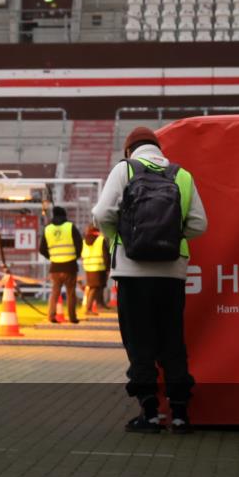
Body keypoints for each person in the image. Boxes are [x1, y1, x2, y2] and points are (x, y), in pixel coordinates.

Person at [92, 126, 207, 435]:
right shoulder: (181, 175)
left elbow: (102, 213)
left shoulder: (124, 169)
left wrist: (120, 238)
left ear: (129, 150)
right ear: (158, 148)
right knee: (172, 340)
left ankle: (150, 413)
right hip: (172, 271)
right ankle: (181, 414)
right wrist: (169, 237)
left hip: (132, 271)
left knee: (139, 342)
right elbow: (199, 224)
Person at [39, 206, 82, 324]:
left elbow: (42, 249)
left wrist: (52, 256)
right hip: (70, 265)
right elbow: (79, 245)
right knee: (71, 293)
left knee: (55, 292)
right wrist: (74, 256)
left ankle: (51, 315)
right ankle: (72, 317)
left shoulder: (47, 229)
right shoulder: (70, 227)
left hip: (55, 266)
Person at [82, 224, 111, 313]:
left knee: (98, 286)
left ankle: (100, 304)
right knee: (94, 288)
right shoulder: (100, 240)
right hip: (99, 266)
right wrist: (108, 267)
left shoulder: (84, 240)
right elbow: (106, 255)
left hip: (88, 267)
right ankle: (88, 308)